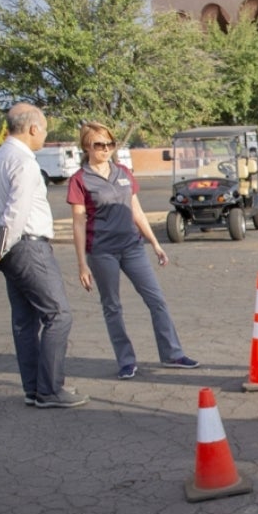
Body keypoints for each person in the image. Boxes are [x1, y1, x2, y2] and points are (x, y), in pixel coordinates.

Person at [0, 103, 86, 408]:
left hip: (9, 249)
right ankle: (50, 390)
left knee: (25, 321)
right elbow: (16, 212)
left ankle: (34, 388)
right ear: (33, 128)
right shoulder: (23, 163)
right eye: (45, 129)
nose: (45, 134)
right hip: (28, 246)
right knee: (58, 315)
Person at [66, 122, 198, 379]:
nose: (105, 149)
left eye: (109, 144)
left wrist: (155, 244)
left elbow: (136, 210)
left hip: (132, 247)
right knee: (112, 306)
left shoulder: (123, 172)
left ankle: (172, 353)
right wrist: (82, 263)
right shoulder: (79, 180)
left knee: (156, 299)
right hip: (102, 251)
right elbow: (79, 222)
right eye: (99, 144)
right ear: (86, 146)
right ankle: (126, 361)